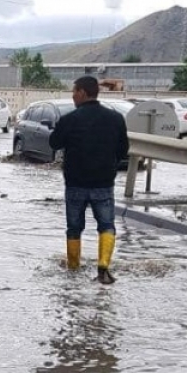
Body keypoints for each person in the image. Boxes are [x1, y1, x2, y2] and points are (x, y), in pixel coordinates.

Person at [49, 76, 130, 284]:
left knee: (74, 227)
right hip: (103, 182)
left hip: (75, 183)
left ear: (83, 93)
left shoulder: (70, 119)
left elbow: (54, 143)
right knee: (107, 225)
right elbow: (124, 151)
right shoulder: (116, 119)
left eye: (74, 92)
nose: (73, 96)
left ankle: (73, 270)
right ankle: (103, 267)